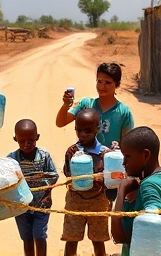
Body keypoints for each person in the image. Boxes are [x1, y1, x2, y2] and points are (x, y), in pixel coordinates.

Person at [56, 62, 134, 202]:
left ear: (117, 84)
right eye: (99, 81)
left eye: (108, 82)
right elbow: (60, 122)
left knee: (102, 213)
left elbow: (126, 145)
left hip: (108, 172)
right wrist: (65, 106)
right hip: (83, 167)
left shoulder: (123, 112)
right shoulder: (86, 104)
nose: (101, 86)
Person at [111, 126, 161, 256]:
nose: (123, 163)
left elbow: (118, 236)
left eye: (128, 156)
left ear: (146, 155)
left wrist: (122, 190)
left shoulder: (150, 186)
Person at [61, 108, 110, 256]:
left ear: (97, 128)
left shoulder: (105, 154)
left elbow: (111, 179)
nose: (82, 135)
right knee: (71, 238)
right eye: (79, 130)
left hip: (98, 201)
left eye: (88, 131)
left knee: (98, 240)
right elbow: (68, 175)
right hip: (75, 201)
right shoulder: (72, 152)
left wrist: (101, 178)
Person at [7, 119, 58, 256]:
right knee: (27, 238)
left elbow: (54, 175)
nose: (26, 144)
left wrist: (46, 192)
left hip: (42, 205)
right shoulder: (11, 159)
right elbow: (7, 180)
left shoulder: (44, 156)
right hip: (21, 207)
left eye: (30, 140)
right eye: (21, 141)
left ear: (37, 137)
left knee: (40, 236)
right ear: (15, 139)